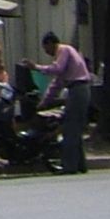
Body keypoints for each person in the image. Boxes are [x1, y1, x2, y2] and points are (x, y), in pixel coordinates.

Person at [35, 31, 93, 174]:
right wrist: (45, 101)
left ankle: (69, 166)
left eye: (46, 48)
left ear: (51, 43)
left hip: (78, 89)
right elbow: (57, 83)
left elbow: (57, 69)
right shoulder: (65, 55)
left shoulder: (64, 50)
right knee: (75, 129)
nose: (47, 52)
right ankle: (80, 165)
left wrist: (36, 67)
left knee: (69, 128)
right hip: (77, 90)